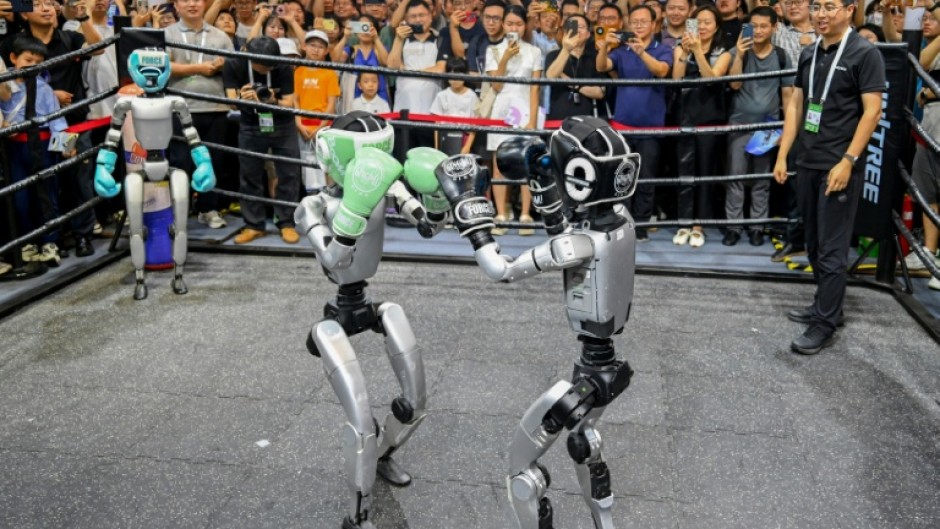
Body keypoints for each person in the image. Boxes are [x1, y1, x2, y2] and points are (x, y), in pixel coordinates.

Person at [773, 0, 885, 354]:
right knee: (815, 245)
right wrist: (782, 153)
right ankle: (826, 307)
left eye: (831, 7)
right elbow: (796, 104)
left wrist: (849, 160)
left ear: (849, 10)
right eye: (817, 6)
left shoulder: (865, 53)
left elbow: (872, 112)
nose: (822, 14)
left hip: (839, 165)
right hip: (807, 161)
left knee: (833, 250)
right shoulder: (810, 53)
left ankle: (825, 323)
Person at [1, 0, 103, 258]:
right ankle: (46, 239)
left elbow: (98, 49)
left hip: (71, 123)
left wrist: (82, 17)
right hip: (24, 136)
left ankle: (81, 235)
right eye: (37, 3)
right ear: (24, 12)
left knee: (75, 177)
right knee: (35, 188)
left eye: (50, 3)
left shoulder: (69, 37)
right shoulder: (12, 43)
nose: (46, 8)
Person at [597, 4, 671, 242]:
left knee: (646, 177)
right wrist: (605, 47)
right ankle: (623, 222)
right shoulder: (621, 51)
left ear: (654, 24)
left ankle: (640, 225)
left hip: (651, 126)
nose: (638, 26)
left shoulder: (663, 48)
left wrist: (641, 52)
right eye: (634, 22)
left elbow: (661, 71)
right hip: (622, 126)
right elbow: (601, 66)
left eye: (643, 22)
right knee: (622, 177)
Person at [724, 6, 793, 247]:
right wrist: (740, 56)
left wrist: (785, 129)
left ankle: (757, 228)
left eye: (765, 26)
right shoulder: (737, 51)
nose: (760, 31)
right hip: (739, 124)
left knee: (762, 181)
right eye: (755, 26)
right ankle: (733, 228)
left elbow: (788, 96)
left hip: (768, 125)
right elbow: (733, 85)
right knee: (735, 178)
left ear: (774, 27)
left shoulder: (783, 56)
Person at [223, 36, 302, 244]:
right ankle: (253, 224)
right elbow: (230, 102)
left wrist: (272, 99)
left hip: (282, 124)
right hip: (250, 122)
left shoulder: (282, 66)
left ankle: (287, 223)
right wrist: (242, 98)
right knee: (249, 174)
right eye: (263, 66)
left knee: (289, 172)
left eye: (271, 65)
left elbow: (289, 102)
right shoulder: (234, 63)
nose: (268, 69)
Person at [3, 35, 72, 266]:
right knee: (20, 197)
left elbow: (57, 121)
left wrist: (66, 148)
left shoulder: (45, 88)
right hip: (14, 147)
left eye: (38, 62)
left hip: (42, 146)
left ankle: (50, 242)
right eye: (27, 60)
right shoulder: (4, 87)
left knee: (47, 193)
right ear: (13, 58)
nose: (32, 65)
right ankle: (27, 241)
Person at [165, 0, 234, 230]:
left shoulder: (220, 36)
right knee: (180, 161)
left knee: (213, 160)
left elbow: (234, 66)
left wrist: (224, 64)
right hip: (180, 108)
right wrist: (199, 68)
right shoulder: (166, 34)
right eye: (186, 0)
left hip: (215, 107)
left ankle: (208, 209)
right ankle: (179, 209)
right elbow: (163, 65)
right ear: (176, 6)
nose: (192, 4)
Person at [671, 4, 731, 248]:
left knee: (705, 172)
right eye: (698, 21)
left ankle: (699, 224)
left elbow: (711, 79)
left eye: (708, 22)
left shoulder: (724, 51)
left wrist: (698, 51)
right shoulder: (680, 47)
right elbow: (676, 80)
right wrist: (685, 52)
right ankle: (684, 222)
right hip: (685, 115)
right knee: (684, 171)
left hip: (711, 117)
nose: (703, 26)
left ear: (716, 25)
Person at [485, 3, 542, 235]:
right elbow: (496, 86)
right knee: (499, 166)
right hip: (501, 113)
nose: (514, 28)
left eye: (518, 24)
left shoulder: (535, 52)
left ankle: (525, 214)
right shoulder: (493, 50)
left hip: (526, 112)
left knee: (526, 164)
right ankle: (500, 213)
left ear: (525, 25)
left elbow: (535, 89)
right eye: (509, 23)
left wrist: (532, 121)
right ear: (502, 24)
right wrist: (505, 58)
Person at [770, 0, 815, 262]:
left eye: (799, 1)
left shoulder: (835, 37)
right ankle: (795, 237)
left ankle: (820, 240)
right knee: (794, 179)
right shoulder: (781, 32)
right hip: (794, 109)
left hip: (832, 115)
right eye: (788, 2)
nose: (793, 6)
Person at [907, 4, 940, 288]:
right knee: (928, 193)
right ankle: (929, 253)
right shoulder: (935, 45)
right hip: (929, 129)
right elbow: (920, 61)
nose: (928, 20)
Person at [388, 0, 444, 148]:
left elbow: (441, 68)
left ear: (431, 16)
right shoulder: (402, 39)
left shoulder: (440, 39)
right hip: (403, 113)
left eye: (422, 15)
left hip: (430, 114)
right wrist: (398, 39)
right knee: (402, 159)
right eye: (413, 16)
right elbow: (392, 66)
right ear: (406, 19)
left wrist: (409, 71)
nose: (418, 19)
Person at [545, 13, 604, 119]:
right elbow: (551, 77)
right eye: (573, 26)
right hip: (558, 119)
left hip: (589, 121)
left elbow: (600, 92)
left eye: (581, 27)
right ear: (565, 31)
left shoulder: (596, 58)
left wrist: (569, 81)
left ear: (588, 34)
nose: (577, 30)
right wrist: (566, 49)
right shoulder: (553, 55)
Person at [333, 14, 390, 113]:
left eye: (368, 27)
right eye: (361, 27)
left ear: (375, 29)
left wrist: (376, 39)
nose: (365, 30)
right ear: (355, 30)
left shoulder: (379, 49)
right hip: (352, 95)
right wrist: (345, 37)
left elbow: (386, 62)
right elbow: (335, 59)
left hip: (378, 97)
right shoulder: (350, 50)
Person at [429, 56, 479, 155]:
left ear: (466, 75)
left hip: (464, 137)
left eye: (459, 74)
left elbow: (474, 125)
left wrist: (467, 146)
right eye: (452, 74)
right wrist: (436, 148)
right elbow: (437, 125)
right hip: (445, 136)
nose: (455, 79)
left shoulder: (472, 96)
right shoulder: (441, 95)